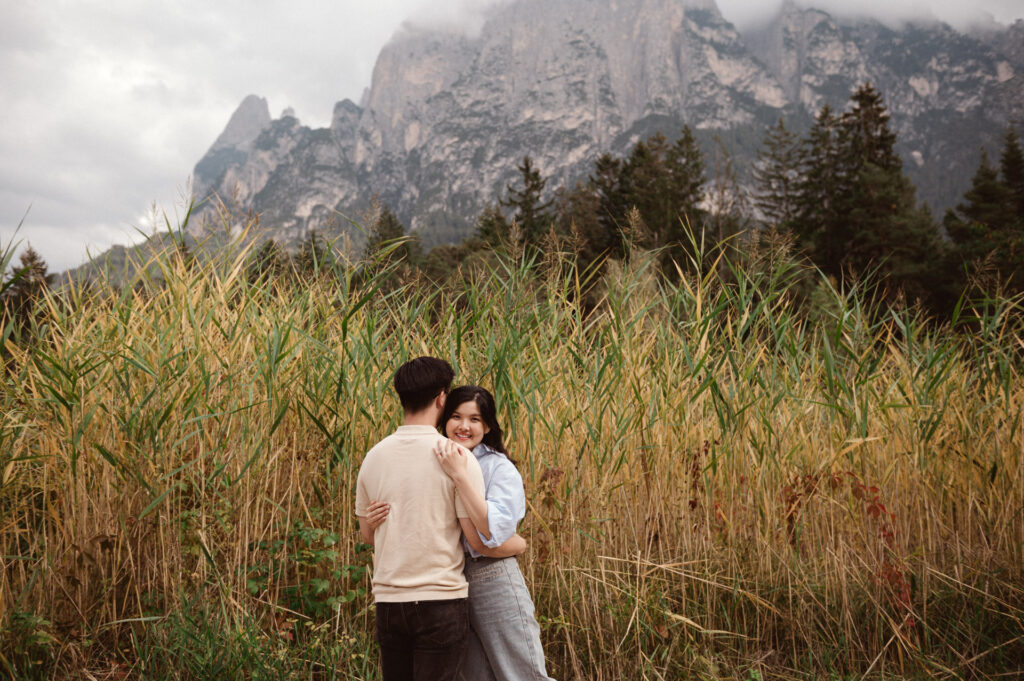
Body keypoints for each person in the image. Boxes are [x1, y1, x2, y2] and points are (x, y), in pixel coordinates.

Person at [355, 357, 486, 681]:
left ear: (402, 396)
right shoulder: (456, 457)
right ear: (442, 397)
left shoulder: (375, 457)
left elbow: (367, 537)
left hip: (389, 601)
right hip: (440, 601)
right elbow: (475, 536)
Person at [434, 385, 556, 681]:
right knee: (476, 675)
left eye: (475, 419)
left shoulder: (497, 468)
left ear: (487, 425)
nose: (464, 426)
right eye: (456, 416)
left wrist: (461, 477)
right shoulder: (434, 459)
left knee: (521, 674)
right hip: (451, 581)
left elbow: (493, 533)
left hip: (492, 576)